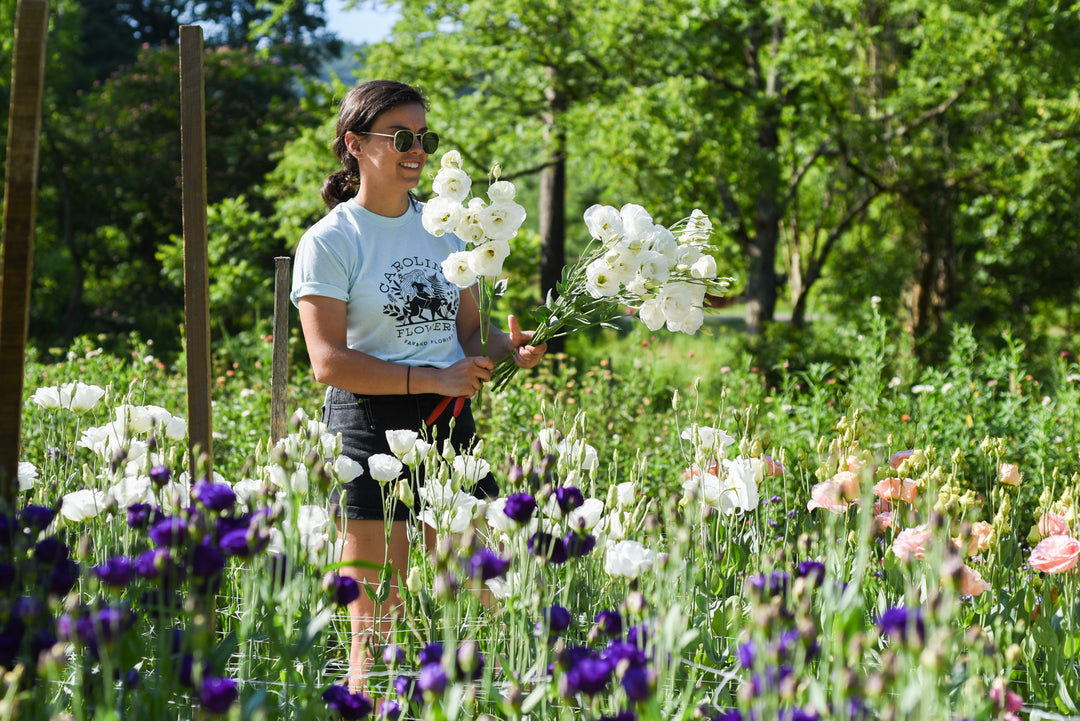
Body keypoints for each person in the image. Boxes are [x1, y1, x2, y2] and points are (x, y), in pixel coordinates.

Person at [290, 80, 546, 690]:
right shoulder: (330, 240)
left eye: (423, 138)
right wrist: (434, 374)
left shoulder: (445, 232)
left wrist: (512, 349)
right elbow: (327, 361)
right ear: (354, 144)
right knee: (379, 628)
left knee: (484, 604)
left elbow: (470, 337)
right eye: (401, 137)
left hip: (450, 421)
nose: (417, 150)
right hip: (365, 427)